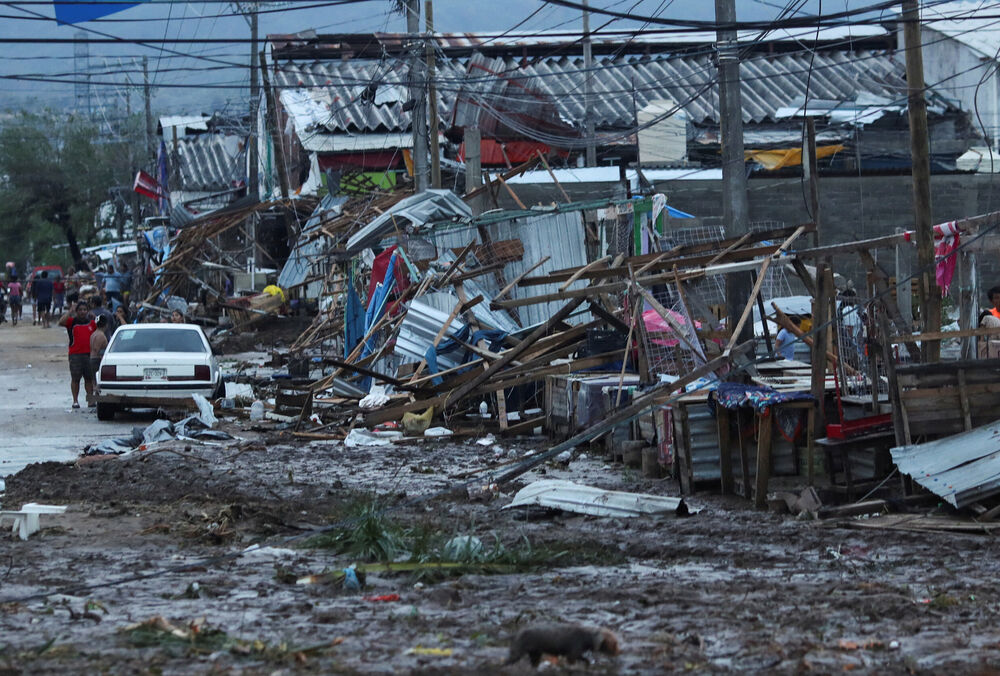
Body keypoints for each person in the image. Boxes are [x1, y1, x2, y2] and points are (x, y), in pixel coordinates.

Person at [58, 301, 97, 409]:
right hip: (75, 355)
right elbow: (61, 322)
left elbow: (102, 327)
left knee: (89, 379)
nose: (82, 312)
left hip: (89, 354)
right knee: (75, 379)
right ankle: (75, 401)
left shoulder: (92, 323)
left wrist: (94, 316)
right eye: (80, 310)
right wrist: (70, 311)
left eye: (84, 310)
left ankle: (90, 400)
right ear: (76, 311)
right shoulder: (72, 322)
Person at [90, 315, 109, 387]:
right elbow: (96, 349)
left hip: (93, 359)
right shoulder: (100, 335)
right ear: (106, 324)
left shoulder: (94, 334)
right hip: (97, 360)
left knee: (94, 381)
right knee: (97, 382)